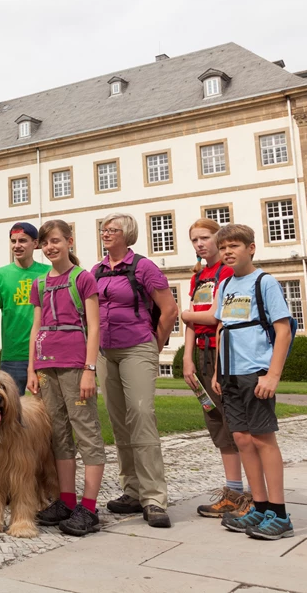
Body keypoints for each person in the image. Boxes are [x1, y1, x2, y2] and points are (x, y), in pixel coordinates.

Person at [93, 212, 178, 528]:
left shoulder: (144, 267)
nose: (106, 233)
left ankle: (154, 497)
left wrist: (154, 345)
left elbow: (169, 310)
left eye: (112, 229)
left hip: (137, 347)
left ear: (127, 235)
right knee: (119, 421)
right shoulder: (97, 270)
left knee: (141, 415)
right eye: (104, 229)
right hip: (105, 353)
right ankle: (131, 491)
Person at [211, 222, 295, 540]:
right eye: (224, 247)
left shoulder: (265, 282)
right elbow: (223, 328)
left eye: (234, 245)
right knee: (243, 440)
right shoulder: (226, 285)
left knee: (263, 440)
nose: (228, 251)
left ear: (251, 248)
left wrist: (273, 375)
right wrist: (219, 371)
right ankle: (258, 506)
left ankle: (279, 513)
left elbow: (283, 329)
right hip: (230, 374)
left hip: (255, 371)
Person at [27, 220, 105, 536]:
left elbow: (95, 326)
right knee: (58, 433)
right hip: (46, 365)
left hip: (75, 365)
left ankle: (88, 506)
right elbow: (35, 327)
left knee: (86, 430)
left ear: (69, 241)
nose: (50, 248)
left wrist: (90, 369)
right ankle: (67, 500)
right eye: (45, 243)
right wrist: (32, 369)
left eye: (56, 241)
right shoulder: (40, 284)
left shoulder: (82, 278)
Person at [181, 218, 248, 518]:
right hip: (202, 355)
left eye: (205, 238)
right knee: (217, 421)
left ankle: (253, 494)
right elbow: (196, 319)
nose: (199, 244)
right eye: (195, 239)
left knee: (238, 424)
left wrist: (186, 314)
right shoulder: (198, 277)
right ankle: (233, 491)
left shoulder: (227, 273)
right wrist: (186, 357)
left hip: (225, 354)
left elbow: (220, 316)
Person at [0, 222, 51, 394]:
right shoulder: (0, 275)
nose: (17, 245)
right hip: (12, 356)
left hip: (45, 353)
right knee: (11, 414)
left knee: (48, 412)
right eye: (13, 241)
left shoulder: (49, 272)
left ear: (35, 244)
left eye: (23, 241)